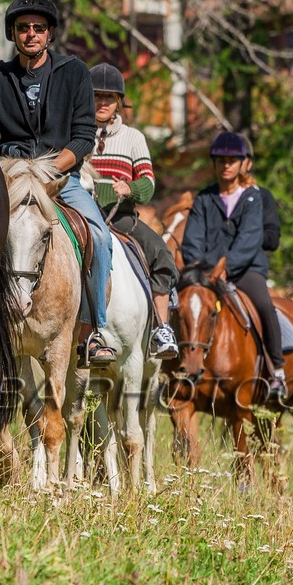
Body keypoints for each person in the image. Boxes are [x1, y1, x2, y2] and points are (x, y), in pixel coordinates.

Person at [0, 0, 115, 366]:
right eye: (23, 29)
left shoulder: (75, 73)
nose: (31, 35)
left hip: (58, 180)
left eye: (38, 28)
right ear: (13, 34)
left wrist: (50, 170)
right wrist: (13, 174)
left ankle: (93, 330)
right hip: (11, 182)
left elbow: (83, 136)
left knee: (99, 235)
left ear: (49, 34)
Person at [179, 132, 287, 401]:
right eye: (220, 160)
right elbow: (192, 238)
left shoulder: (253, 198)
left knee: (264, 304)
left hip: (246, 270)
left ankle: (277, 372)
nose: (226, 165)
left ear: (242, 164)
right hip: (206, 272)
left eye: (232, 160)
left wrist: (228, 265)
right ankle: (169, 366)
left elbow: (250, 238)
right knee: (179, 302)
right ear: (214, 164)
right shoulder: (204, 199)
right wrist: (197, 266)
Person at [88, 62, 179, 362]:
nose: (102, 102)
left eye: (108, 97)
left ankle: (161, 327)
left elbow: (149, 183)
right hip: (83, 214)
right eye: (96, 95)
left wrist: (130, 188)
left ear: (119, 103)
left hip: (122, 218)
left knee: (162, 254)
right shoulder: (78, 134)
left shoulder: (134, 137)